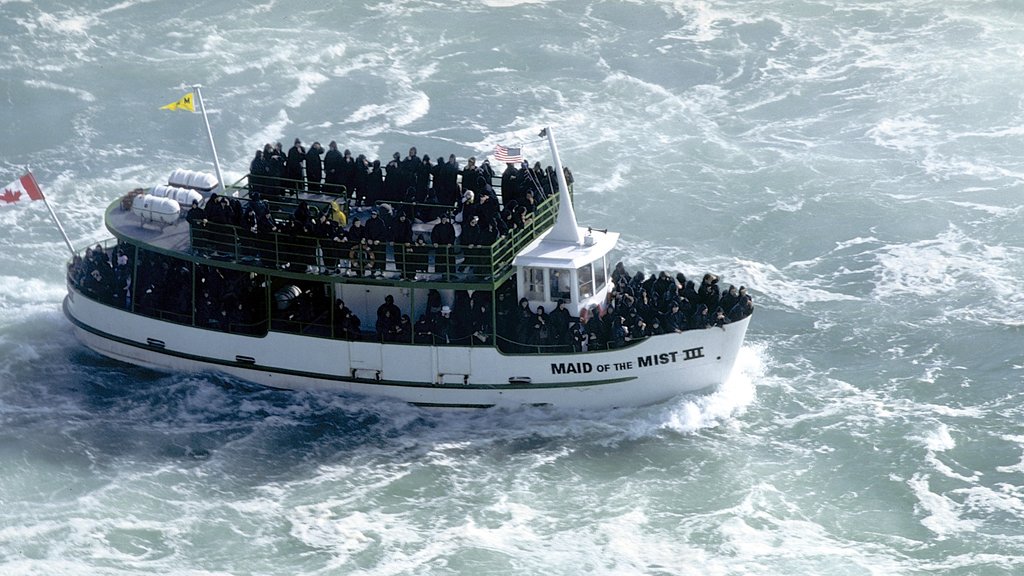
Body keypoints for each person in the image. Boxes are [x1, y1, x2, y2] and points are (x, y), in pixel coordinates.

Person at [431, 212, 456, 279]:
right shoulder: (437, 227)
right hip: (440, 247)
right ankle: (440, 274)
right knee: (441, 260)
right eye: (443, 218)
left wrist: (450, 243)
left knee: (450, 260)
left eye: (445, 218)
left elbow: (452, 235)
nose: (444, 220)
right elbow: (433, 236)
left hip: (449, 247)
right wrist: (435, 242)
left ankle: (451, 274)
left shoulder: (450, 226)